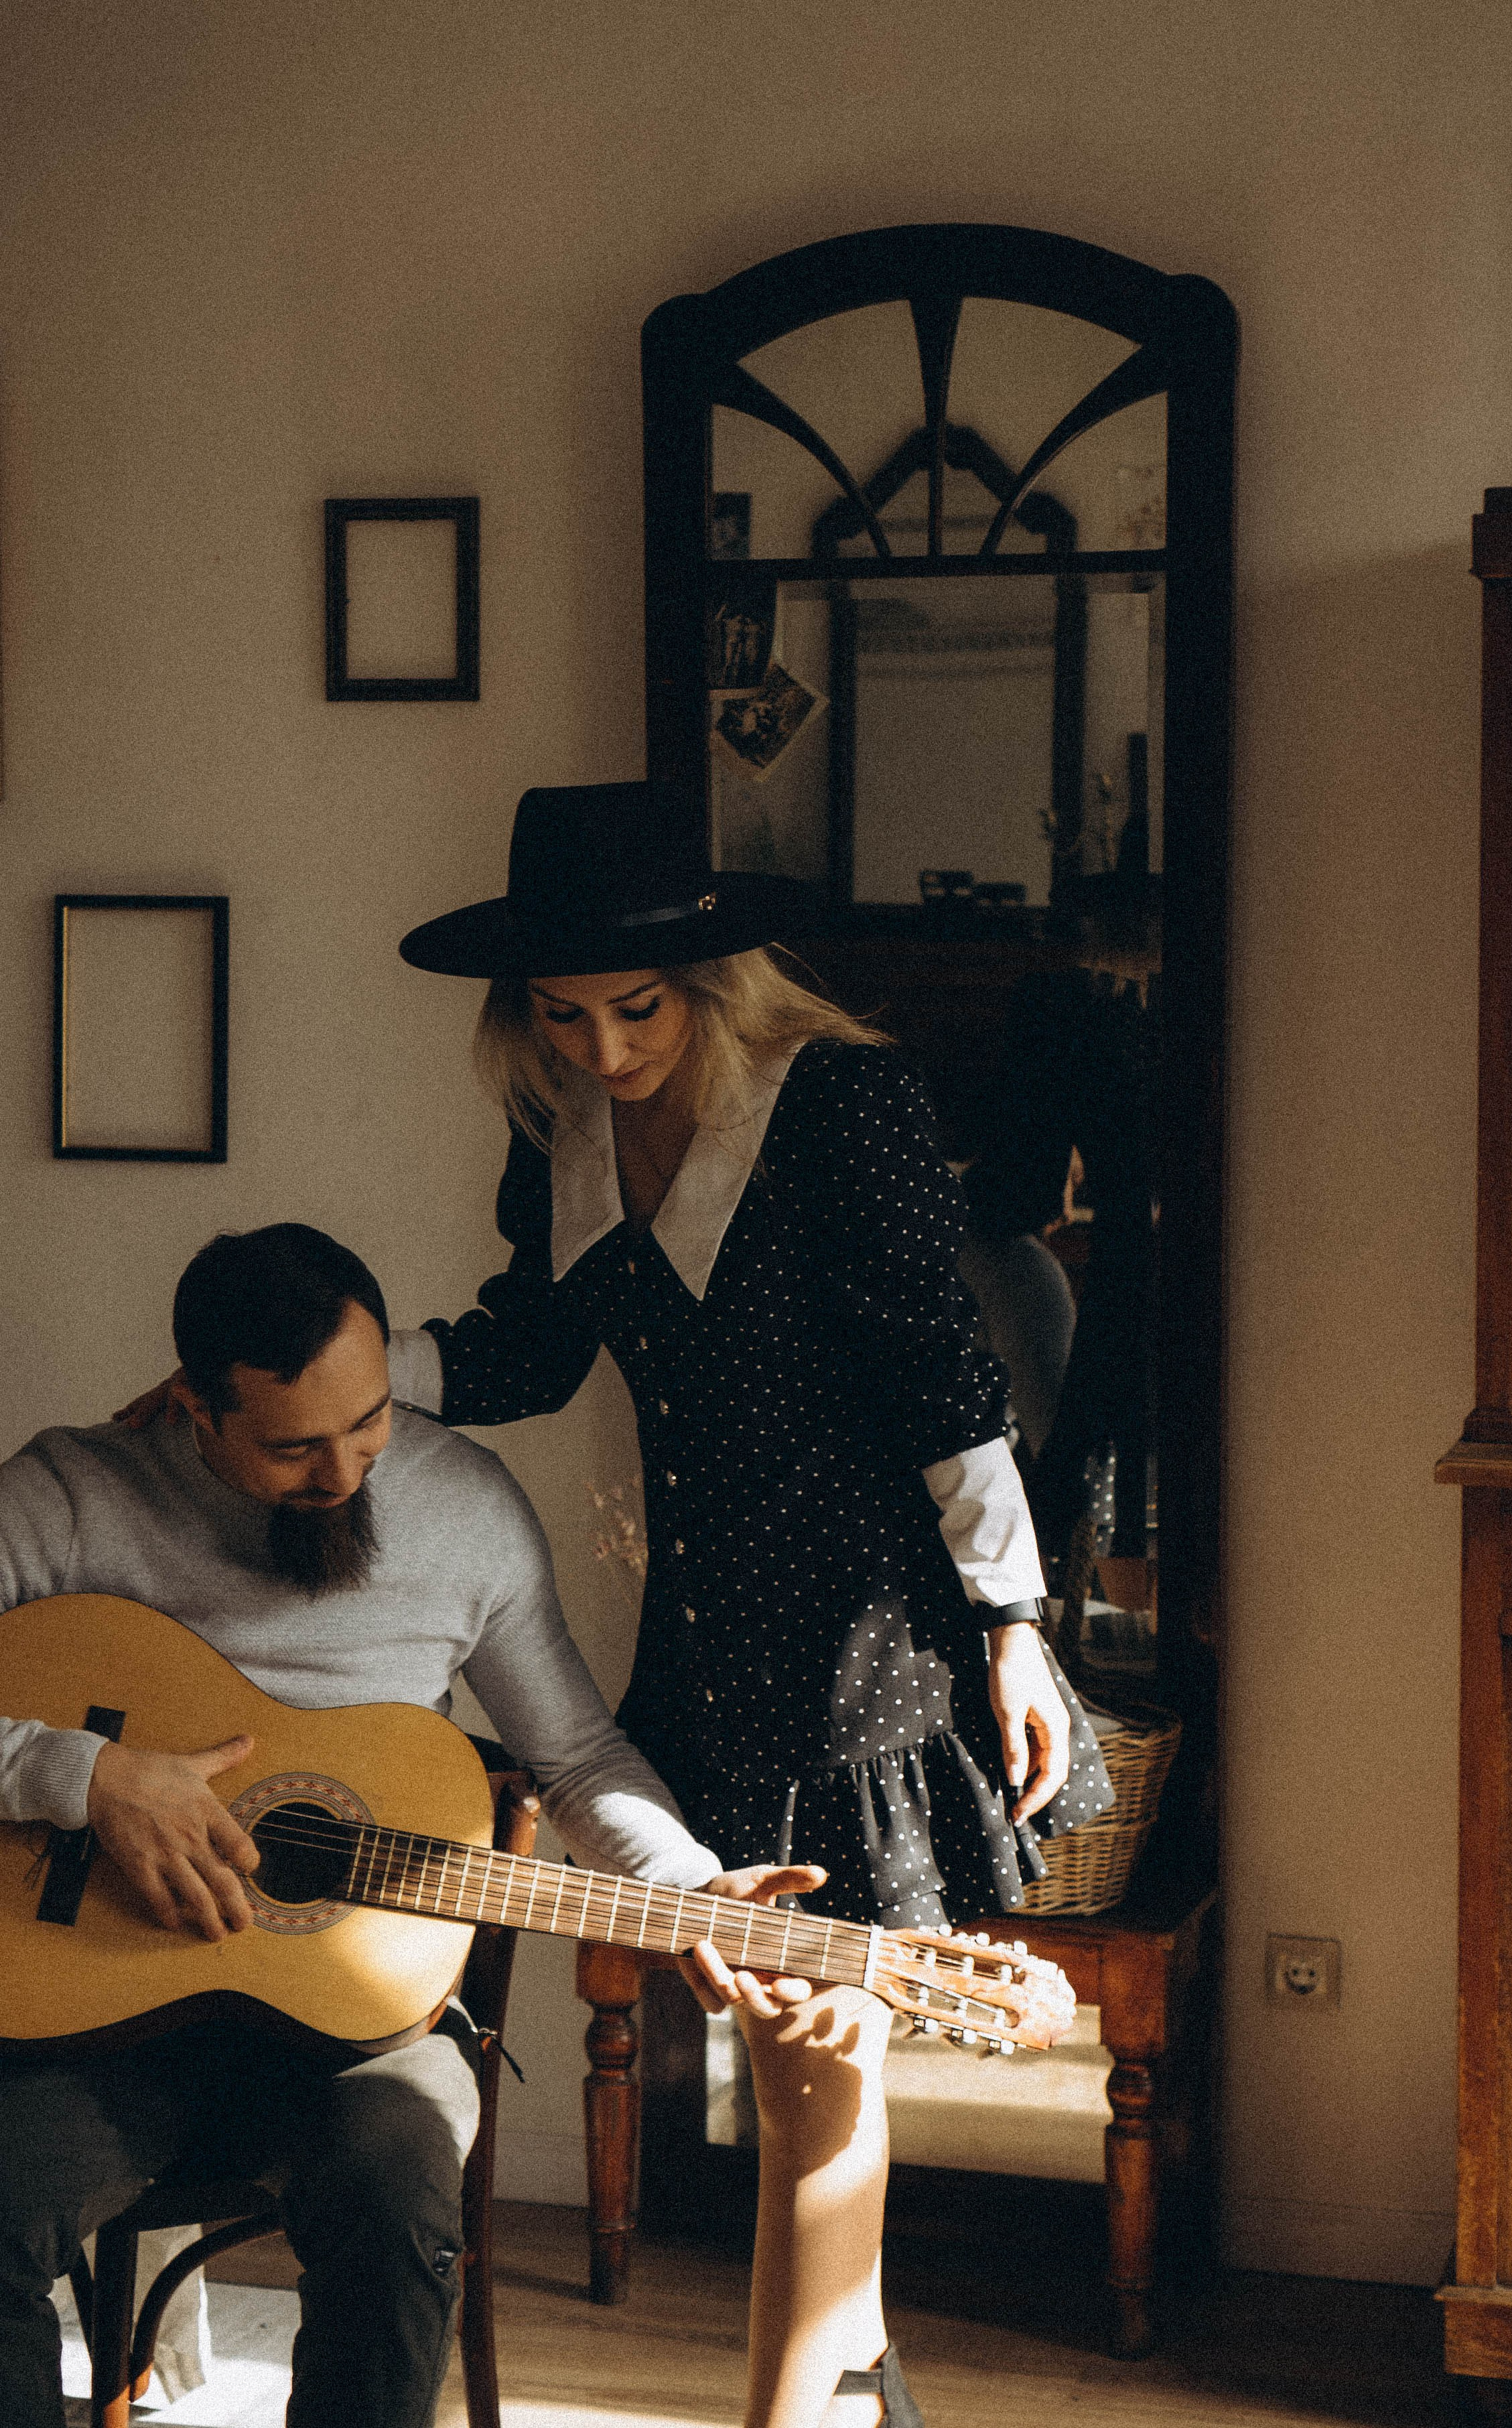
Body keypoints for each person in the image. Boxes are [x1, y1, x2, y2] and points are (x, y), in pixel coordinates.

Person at [387, 783, 1116, 2428]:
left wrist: (1011, 1623)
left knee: (813, 2070)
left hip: (873, 1650)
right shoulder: (558, 1128)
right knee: (810, 2076)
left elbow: (950, 1380)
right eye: (560, 1016)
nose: (599, 1048)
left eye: (632, 1011)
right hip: (708, 1645)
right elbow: (526, 1346)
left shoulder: (838, 1104)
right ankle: (856, 2394)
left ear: (710, 983)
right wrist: (348, 1384)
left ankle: (801, 2411)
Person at [1, 1223, 815, 2428]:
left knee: (398, 2194)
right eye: (294, 1446)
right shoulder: (71, 1492)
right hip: (94, 2020)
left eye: (371, 1419)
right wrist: (91, 1776)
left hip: (357, 2031)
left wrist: (685, 1882)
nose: (347, 1471)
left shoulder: (467, 1510)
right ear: (191, 1408)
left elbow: (579, 1755)